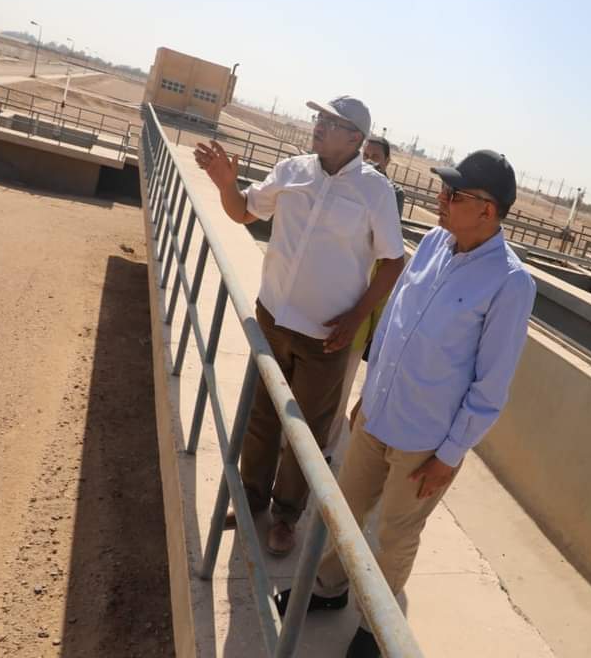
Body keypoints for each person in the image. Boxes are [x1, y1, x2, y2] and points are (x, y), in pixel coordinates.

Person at [275, 150, 536, 658]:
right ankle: (329, 588)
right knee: (344, 511)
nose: (440, 199)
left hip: (425, 442)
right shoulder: (435, 243)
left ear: (487, 210)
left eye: (453, 194)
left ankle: (375, 627)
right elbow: (395, 321)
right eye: (444, 190)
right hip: (377, 416)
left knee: (395, 536)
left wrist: (450, 454)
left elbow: (491, 385)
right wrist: (366, 396)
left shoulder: (510, 283)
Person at [193, 96, 405, 556]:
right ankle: (251, 498)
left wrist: (356, 317)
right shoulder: (291, 170)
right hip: (273, 319)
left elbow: (393, 261)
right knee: (261, 417)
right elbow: (244, 211)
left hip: (326, 339)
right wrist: (226, 184)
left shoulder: (375, 192)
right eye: (319, 117)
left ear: (356, 138)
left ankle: (286, 516)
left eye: (331, 121)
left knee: (305, 432)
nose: (319, 125)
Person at [324, 134, 406, 463]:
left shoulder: (387, 199)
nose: (371, 161)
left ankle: (324, 451)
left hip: (356, 322)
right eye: (366, 155)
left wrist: (370, 325)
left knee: (338, 389)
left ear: (387, 162)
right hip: (325, 309)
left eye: (377, 157)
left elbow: (387, 274)